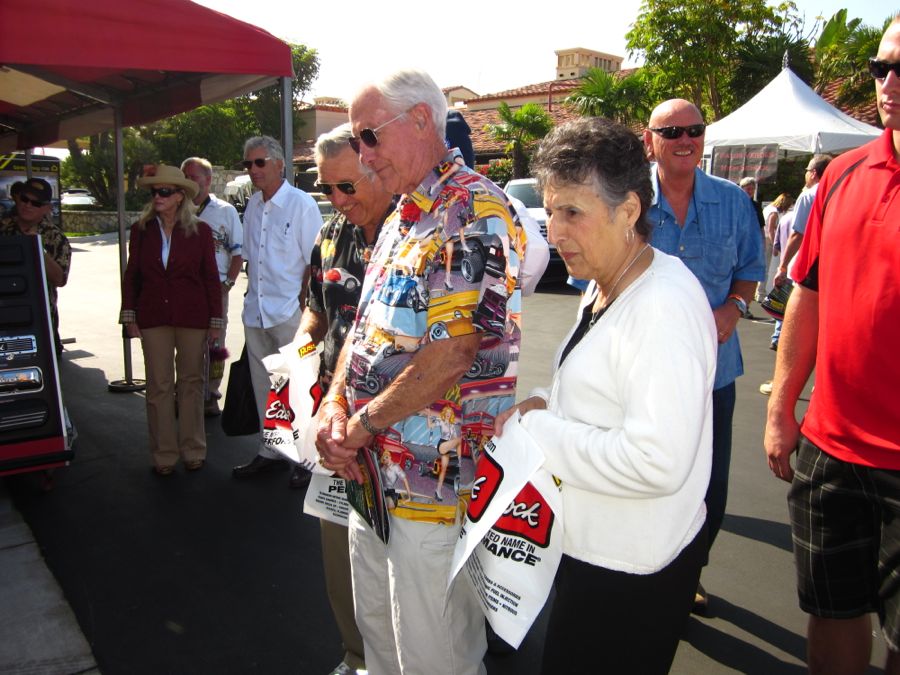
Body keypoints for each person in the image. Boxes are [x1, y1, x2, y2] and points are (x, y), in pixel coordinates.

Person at [316, 68, 526, 675]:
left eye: (367, 137)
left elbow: (454, 353)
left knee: (435, 654)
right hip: (371, 474)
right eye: (356, 142)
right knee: (379, 638)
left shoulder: (473, 209)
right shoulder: (405, 213)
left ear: (419, 120)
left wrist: (355, 425)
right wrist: (334, 407)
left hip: (433, 485)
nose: (362, 155)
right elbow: (361, 332)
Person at [494, 117, 716, 673]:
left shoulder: (661, 305)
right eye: (551, 211)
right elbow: (599, 387)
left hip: (628, 572)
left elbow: (657, 461)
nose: (555, 231)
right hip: (597, 555)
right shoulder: (608, 281)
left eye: (573, 212)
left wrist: (537, 432)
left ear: (630, 212)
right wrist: (546, 399)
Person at [764, 18, 900, 674]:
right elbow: (806, 297)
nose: (889, 84)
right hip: (832, 452)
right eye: (881, 68)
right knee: (830, 610)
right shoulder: (842, 176)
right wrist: (780, 410)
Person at [643, 99, 765, 611]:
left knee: (710, 487)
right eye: (671, 132)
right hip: (642, 374)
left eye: (693, 129)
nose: (684, 139)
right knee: (648, 481)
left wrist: (733, 309)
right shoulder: (625, 200)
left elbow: (751, 270)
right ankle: (647, 569)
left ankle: (690, 571)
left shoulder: (734, 201)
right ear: (650, 140)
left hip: (714, 377)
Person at [299, 123, 396, 675]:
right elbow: (316, 300)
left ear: (375, 169)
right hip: (334, 420)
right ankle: (356, 655)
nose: (336, 200)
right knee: (339, 548)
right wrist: (303, 338)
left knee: (402, 557)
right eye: (326, 187)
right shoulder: (333, 233)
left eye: (347, 187)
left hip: (397, 423)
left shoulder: (414, 232)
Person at [232, 135, 323, 489]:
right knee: (264, 388)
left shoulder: (301, 205)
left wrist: (304, 308)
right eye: (247, 164)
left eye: (259, 163)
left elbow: (314, 262)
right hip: (256, 311)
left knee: (299, 386)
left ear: (279, 164)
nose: (252, 170)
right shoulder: (253, 206)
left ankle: (305, 457)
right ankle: (271, 452)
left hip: (290, 313)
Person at [119, 164, 222, 475]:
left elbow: (210, 277)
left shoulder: (200, 231)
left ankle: (193, 449)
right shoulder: (141, 231)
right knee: (158, 386)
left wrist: (215, 322)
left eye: (164, 191)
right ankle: (164, 454)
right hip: (153, 317)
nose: (158, 196)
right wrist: (129, 314)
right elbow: (132, 274)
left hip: (193, 317)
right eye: (154, 191)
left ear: (180, 196)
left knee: (191, 383)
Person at [180, 157, 243, 417]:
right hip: (183, 290)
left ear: (207, 180)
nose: (189, 183)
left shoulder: (224, 211)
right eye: (185, 177)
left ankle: (211, 395)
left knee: (215, 346)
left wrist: (227, 284)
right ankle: (185, 393)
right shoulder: (176, 209)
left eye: (193, 177)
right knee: (184, 344)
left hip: (215, 289)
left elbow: (238, 253)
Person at [0, 178, 71, 357]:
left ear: (46, 208)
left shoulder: (55, 237)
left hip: (40, 318)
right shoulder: (3, 230)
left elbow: (60, 279)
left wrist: (37, 249)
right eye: (24, 199)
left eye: (36, 202)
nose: (28, 205)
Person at [773, 153, 832, 288]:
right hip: (833, 261)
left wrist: (782, 267)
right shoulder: (839, 191)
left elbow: (798, 234)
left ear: (813, 173)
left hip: (810, 263)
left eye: (807, 171)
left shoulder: (808, 195)